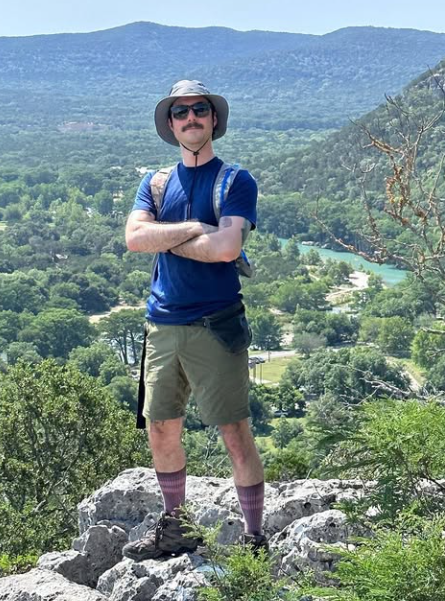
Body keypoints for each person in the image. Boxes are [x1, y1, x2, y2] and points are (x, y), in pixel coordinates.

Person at [122, 80, 267, 561]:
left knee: (234, 432)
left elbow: (227, 248)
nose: (190, 118)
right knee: (161, 429)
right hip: (162, 324)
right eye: (180, 111)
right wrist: (193, 229)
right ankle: (177, 529)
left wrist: (164, 237)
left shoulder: (235, 181)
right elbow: (134, 239)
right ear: (170, 123)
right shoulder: (156, 182)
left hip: (215, 325)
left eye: (199, 109)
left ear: (214, 118)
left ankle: (254, 539)